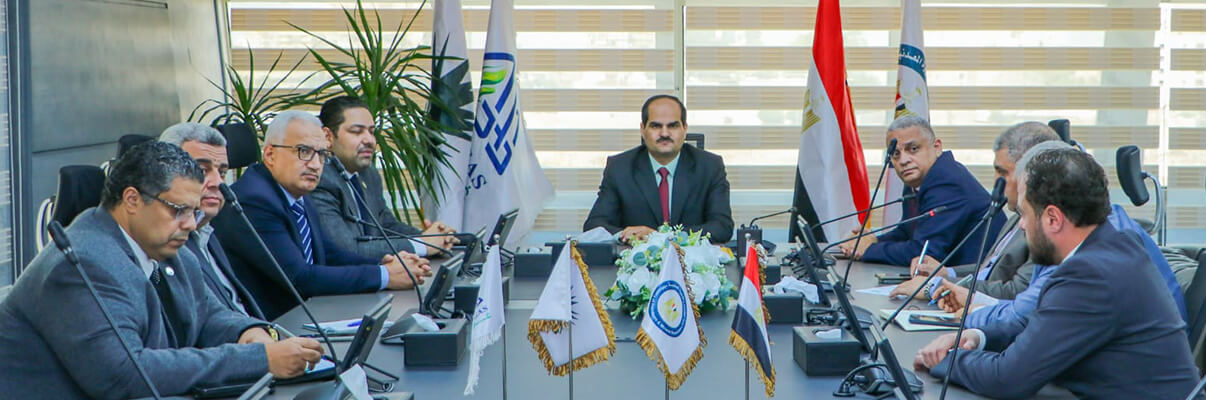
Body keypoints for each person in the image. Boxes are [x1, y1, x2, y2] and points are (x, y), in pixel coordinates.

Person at [0, 142, 323, 398]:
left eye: (194, 211)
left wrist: (249, 334)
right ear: (132, 200)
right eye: (179, 210)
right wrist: (259, 360)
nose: (190, 224)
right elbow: (125, 373)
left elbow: (206, 314)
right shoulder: (83, 263)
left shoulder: (163, 244)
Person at [913, 145, 1198, 399]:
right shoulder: (1110, 245)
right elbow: (1041, 322)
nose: (1022, 225)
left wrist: (946, 359)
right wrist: (977, 336)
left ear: (1052, 218)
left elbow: (1008, 378)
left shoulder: (1092, 274)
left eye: (1024, 214)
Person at [931, 142, 1188, 329]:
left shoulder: (1095, 248)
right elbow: (1030, 308)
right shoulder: (1098, 225)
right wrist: (974, 304)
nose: (1023, 224)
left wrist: (969, 318)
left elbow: (1028, 320)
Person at [211, 111, 431, 320]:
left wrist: (386, 263)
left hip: (312, 313)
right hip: (277, 326)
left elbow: (328, 253)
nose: (316, 165)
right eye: (304, 151)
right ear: (270, 154)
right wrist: (384, 276)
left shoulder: (295, 191)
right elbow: (300, 278)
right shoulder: (253, 200)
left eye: (322, 154)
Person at [890, 121, 1060, 301]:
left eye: (1003, 172)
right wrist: (947, 272)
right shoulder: (1016, 217)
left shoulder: (1046, 226)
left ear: (1031, 174)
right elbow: (988, 271)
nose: (996, 182)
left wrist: (936, 286)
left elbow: (1014, 293)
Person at [841, 116, 1005, 267]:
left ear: (937, 147)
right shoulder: (919, 176)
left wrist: (867, 249)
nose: (903, 160)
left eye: (913, 149)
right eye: (896, 154)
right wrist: (872, 240)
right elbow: (907, 231)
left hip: (977, 279)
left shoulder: (947, 182)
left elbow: (925, 253)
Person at [310, 96, 457, 260]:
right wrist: (424, 244)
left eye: (371, 132)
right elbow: (346, 249)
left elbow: (386, 226)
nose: (369, 140)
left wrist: (433, 238)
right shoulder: (318, 179)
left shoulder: (368, 174)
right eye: (357, 131)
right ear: (328, 137)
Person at [583, 94, 733, 243]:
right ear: (642, 129)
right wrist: (625, 235)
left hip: (690, 257)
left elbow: (722, 227)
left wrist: (663, 237)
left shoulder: (709, 166)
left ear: (684, 129)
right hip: (635, 256)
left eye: (673, 126)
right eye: (656, 126)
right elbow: (594, 226)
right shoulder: (620, 168)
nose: (664, 133)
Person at [159, 122, 265, 319]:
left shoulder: (208, 231)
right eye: (202, 170)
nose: (218, 183)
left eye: (222, 172)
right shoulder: (165, 243)